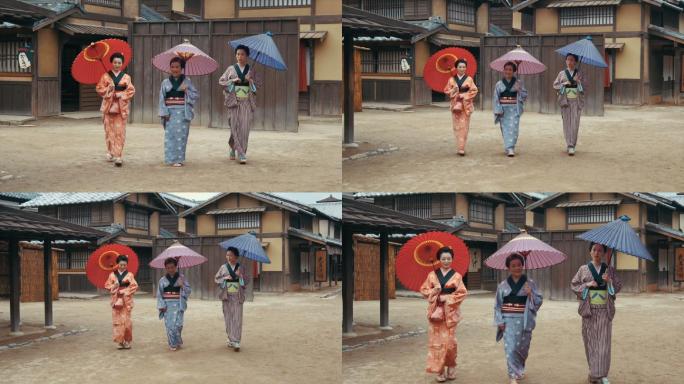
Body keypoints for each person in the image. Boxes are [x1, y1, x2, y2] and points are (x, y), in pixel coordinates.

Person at [570, 243, 623, 384]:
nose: (597, 252)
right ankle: (594, 373)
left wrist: (610, 282)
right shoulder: (583, 269)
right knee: (591, 342)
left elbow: (618, 287)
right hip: (589, 311)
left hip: (604, 310)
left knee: (604, 343)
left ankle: (602, 375)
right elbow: (574, 285)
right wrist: (587, 285)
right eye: (594, 249)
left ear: (605, 253)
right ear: (590, 252)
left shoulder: (609, 270)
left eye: (600, 250)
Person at [420, 247, 468, 382]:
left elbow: (462, 292)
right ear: (439, 260)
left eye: (448, 258)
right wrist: (434, 292)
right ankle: (439, 369)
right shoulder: (432, 275)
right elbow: (424, 290)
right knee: (437, 343)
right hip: (436, 314)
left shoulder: (457, 276)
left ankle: (451, 366)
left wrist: (448, 298)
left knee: (450, 342)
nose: (446, 261)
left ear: (452, 259)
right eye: (443, 258)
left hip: (450, 313)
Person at [494, 253, 543, 384]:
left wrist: (530, 294)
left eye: (519, 265)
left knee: (523, 349)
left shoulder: (530, 283)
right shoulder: (502, 285)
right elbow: (498, 305)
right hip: (508, 320)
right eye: (513, 265)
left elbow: (538, 301)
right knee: (511, 348)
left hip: (525, 320)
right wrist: (500, 321)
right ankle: (512, 376)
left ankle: (519, 368)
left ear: (523, 265)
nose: (517, 268)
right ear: (508, 268)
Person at [218, 44, 258, 164]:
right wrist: (233, 81)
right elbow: (221, 81)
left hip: (245, 101)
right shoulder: (230, 69)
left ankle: (241, 153)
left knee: (244, 128)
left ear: (247, 56)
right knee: (234, 126)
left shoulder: (251, 70)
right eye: (238, 54)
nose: (240, 56)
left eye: (242, 54)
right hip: (234, 102)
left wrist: (250, 81)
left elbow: (255, 88)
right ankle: (232, 147)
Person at [95, 52, 135, 167]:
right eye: (115, 62)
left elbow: (131, 90)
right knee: (109, 131)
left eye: (119, 62)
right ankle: (110, 152)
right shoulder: (105, 76)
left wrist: (121, 94)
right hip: (108, 107)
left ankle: (118, 155)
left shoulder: (127, 77)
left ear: (122, 64)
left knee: (120, 132)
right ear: (111, 63)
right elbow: (99, 88)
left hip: (120, 107)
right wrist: (109, 89)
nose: (117, 64)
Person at [158, 57, 199, 167]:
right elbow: (162, 98)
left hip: (182, 112)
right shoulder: (165, 82)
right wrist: (164, 112)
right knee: (170, 136)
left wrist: (187, 91)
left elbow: (195, 95)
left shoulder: (187, 81)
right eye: (172, 67)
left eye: (177, 67)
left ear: (182, 68)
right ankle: (170, 158)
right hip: (170, 112)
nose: (174, 69)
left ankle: (179, 159)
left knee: (181, 136)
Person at [214, 246, 248, 351]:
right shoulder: (223, 267)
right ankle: (230, 338)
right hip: (226, 296)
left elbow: (246, 282)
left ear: (236, 257)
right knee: (228, 317)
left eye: (231, 255)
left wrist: (240, 276)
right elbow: (216, 279)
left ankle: (236, 341)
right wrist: (225, 278)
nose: (228, 257)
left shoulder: (241, 267)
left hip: (237, 296)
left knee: (237, 317)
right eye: (227, 255)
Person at [493, 62, 528, 157]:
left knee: (513, 128)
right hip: (503, 109)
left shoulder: (518, 83)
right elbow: (496, 98)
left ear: (514, 71)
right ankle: (508, 147)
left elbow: (525, 96)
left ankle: (510, 147)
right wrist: (498, 109)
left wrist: (519, 90)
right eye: (506, 69)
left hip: (514, 108)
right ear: (503, 70)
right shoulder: (499, 84)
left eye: (510, 70)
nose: (508, 71)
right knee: (505, 129)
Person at [444, 59, 478, 156]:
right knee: (457, 126)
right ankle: (460, 146)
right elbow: (446, 90)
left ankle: (461, 147)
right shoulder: (451, 79)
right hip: (456, 105)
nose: (462, 68)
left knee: (464, 126)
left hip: (465, 106)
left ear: (466, 68)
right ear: (456, 68)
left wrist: (464, 95)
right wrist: (454, 91)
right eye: (460, 67)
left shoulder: (469, 79)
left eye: (464, 67)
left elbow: (474, 90)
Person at [104, 254, 138, 349]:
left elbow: (134, 286)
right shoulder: (112, 275)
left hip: (126, 301)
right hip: (116, 301)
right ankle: (120, 341)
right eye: (121, 265)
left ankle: (127, 341)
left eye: (124, 265)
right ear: (117, 264)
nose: (122, 267)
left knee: (127, 323)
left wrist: (124, 291)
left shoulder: (130, 275)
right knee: (118, 322)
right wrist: (114, 286)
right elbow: (107, 285)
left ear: (127, 265)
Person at [157, 257, 191, 351]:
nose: (170, 269)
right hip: (168, 306)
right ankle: (172, 343)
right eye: (168, 268)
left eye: (172, 267)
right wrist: (162, 305)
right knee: (170, 326)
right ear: (165, 268)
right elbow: (160, 294)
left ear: (176, 267)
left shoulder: (182, 278)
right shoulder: (162, 280)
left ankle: (177, 341)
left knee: (179, 325)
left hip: (179, 304)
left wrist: (182, 285)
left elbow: (188, 291)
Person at [553, 53, 585, 156]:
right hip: (565, 101)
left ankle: (572, 145)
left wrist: (578, 82)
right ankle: (569, 144)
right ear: (566, 61)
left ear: (575, 62)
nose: (570, 62)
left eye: (572, 60)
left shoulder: (579, 73)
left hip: (576, 100)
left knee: (575, 122)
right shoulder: (562, 73)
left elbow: (584, 87)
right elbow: (555, 85)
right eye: (568, 60)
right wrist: (565, 83)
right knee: (567, 123)